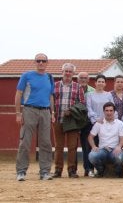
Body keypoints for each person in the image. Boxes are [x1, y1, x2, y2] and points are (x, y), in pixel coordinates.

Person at [14, 53, 55, 181]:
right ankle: (21, 171)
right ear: (35, 62)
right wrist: (18, 113)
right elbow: (19, 94)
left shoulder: (49, 77)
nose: (41, 63)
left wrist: (52, 113)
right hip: (29, 110)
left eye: (43, 61)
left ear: (47, 62)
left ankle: (44, 172)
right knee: (25, 142)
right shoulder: (26, 75)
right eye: (38, 61)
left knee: (46, 143)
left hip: (45, 111)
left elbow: (51, 96)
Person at [52, 62, 85, 178]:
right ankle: (58, 169)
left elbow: (82, 104)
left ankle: (72, 170)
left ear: (73, 73)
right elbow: (50, 101)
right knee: (58, 146)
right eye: (66, 71)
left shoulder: (78, 87)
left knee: (72, 147)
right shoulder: (54, 85)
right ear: (62, 72)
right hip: (57, 119)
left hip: (72, 120)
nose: (68, 73)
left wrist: (71, 110)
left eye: (70, 71)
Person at [88, 102, 123, 178]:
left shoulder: (120, 123)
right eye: (107, 110)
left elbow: (122, 139)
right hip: (102, 150)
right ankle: (101, 171)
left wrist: (119, 146)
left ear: (114, 112)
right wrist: (93, 146)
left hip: (115, 150)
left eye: (111, 110)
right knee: (92, 155)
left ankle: (117, 173)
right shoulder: (99, 123)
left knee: (120, 158)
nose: (109, 112)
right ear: (104, 112)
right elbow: (90, 137)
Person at [77, 71, 95, 177]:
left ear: (88, 80)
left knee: (87, 146)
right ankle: (73, 169)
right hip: (75, 122)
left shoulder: (93, 91)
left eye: (85, 78)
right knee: (73, 146)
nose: (83, 79)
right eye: (81, 78)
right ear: (77, 79)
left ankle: (88, 168)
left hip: (89, 122)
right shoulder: (73, 89)